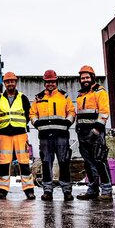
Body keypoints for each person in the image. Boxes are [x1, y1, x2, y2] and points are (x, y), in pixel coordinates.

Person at [30, 69, 76, 201]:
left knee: (64, 162)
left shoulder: (64, 97)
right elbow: (32, 113)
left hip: (61, 136)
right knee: (46, 163)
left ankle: (67, 191)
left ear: (56, 82)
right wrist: (36, 123)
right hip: (45, 137)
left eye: (52, 82)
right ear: (44, 83)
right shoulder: (38, 98)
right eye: (48, 82)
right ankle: (47, 191)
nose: (50, 84)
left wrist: (67, 122)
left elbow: (71, 112)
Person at [0, 71, 35, 200]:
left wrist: (19, 125)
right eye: (7, 81)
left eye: (12, 81)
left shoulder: (23, 98)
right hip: (4, 134)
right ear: (4, 83)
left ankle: (29, 190)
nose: (10, 83)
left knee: (24, 163)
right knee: (3, 164)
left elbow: (29, 114)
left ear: (15, 82)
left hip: (20, 134)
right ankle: (2, 190)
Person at [75, 65, 112, 200]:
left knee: (100, 160)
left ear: (92, 77)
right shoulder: (81, 95)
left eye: (87, 77)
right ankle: (93, 189)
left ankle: (107, 191)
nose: (85, 80)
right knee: (88, 163)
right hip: (83, 133)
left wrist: (96, 130)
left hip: (96, 133)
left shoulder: (100, 92)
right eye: (82, 78)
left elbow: (104, 112)